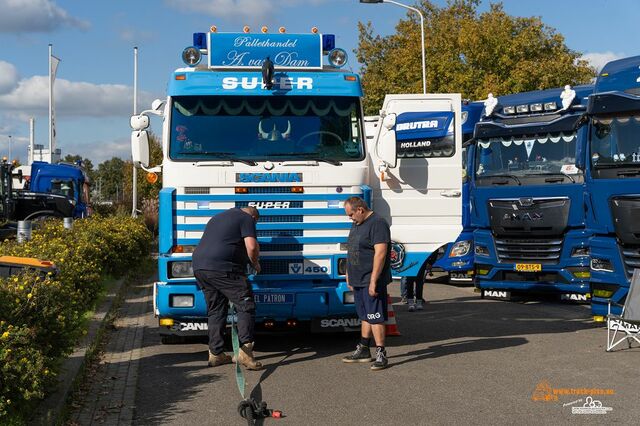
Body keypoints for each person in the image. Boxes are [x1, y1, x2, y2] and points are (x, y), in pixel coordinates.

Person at [192, 206, 263, 370]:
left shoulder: (217, 217)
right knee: (245, 304)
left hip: (200, 266)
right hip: (223, 268)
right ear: (254, 217)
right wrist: (255, 263)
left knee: (216, 309)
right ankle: (245, 353)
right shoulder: (246, 218)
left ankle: (216, 354)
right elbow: (251, 247)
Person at [341, 196, 392, 371]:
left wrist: (373, 280)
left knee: (375, 316)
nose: (350, 218)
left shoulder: (377, 223)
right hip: (358, 278)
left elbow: (380, 253)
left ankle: (381, 353)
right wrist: (348, 273)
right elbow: (352, 248)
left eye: (351, 214)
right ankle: (363, 348)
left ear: (360, 210)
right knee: (364, 315)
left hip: (371, 278)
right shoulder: (357, 224)